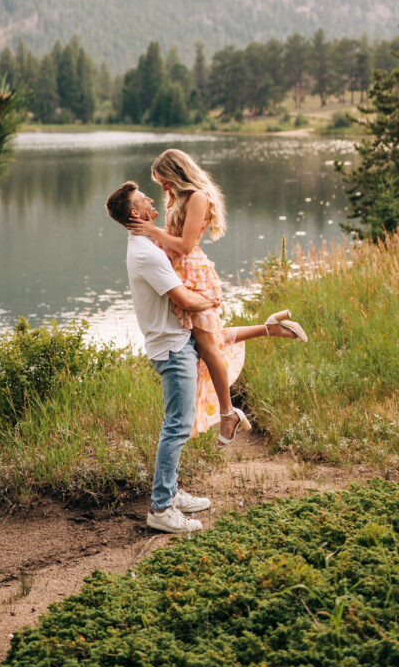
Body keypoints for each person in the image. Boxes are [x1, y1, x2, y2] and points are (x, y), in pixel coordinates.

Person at [127, 148, 307, 447]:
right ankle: (270, 328)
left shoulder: (198, 197)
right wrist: (151, 233)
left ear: (176, 173)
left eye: (165, 181)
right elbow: (172, 238)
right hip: (180, 274)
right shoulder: (180, 198)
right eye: (160, 184)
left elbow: (184, 246)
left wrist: (151, 231)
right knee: (208, 339)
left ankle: (228, 412)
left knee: (208, 345)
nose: (163, 188)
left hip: (193, 274)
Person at [105, 179, 214, 535]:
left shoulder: (148, 243)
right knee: (177, 426)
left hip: (172, 341)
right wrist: (212, 300)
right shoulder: (145, 252)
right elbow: (183, 299)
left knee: (177, 424)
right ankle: (162, 509)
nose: (153, 200)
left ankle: (172, 492)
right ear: (136, 213)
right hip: (172, 346)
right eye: (144, 199)